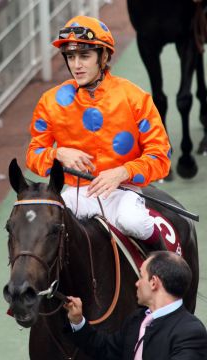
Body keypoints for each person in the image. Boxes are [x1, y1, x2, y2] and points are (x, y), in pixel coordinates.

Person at [26, 15, 171, 250]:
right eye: (71, 57)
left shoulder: (135, 98)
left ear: (103, 57)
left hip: (123, 191)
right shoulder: (50, 102)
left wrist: (123, 172)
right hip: (76, 193)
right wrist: (58, 154)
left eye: (85, 56)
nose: (76, 65)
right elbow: (33, 155)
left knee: (132, 222)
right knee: (43, 228)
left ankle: (163, 266)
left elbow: (160, 157)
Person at [64, 251, 207, 360]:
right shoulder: (136, 320)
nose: (137, 283)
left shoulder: (191, 333)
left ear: (153, 282)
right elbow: (105, 349)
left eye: (141, 276)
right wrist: (77, 321)